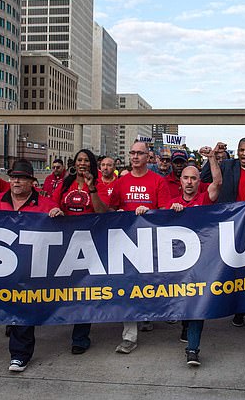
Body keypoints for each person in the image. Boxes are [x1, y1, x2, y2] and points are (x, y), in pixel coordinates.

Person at [0, 159, 61, 372]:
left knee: (23, 309)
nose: (16, 181)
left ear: (32, 182)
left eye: (21, 177)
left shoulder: (46, 206)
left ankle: (19, 355)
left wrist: (59, 216)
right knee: (10, 309)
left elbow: (63, 232)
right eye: (13, 177)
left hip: (31, 270)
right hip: (2, 269)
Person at [201, 138, 245, 330]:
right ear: (237, 151)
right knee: (235, 269)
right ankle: (238, 311)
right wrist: (213, 157)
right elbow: (205, 177)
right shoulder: (227, 165)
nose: (244, 154)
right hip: (231, 225)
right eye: (241, 150)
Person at [108, 141, 171, 354]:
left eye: (140, 153)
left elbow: (165, 212)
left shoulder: (158, 181)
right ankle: (129, 336)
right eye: (132, 153)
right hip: (126, 244)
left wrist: (150, 214)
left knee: (148, 286)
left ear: (148, 157)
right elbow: (111, 209)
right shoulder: (120, 182)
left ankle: (147, 315)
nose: (135, 157)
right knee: (127, 287)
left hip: (150, 244)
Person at [168, 146, 222, 367]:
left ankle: (192, 349)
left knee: (197, 304)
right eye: (186, 178)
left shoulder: (205, 198)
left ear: (199, 181)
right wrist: (168, 211)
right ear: (180, 180)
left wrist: (211, 158)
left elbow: (217, 183)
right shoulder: (170, 200)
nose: (189, 182)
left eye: (194, 178)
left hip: (201, 263)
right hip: (176, 264)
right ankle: (184, 324)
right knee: (183, 304)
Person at [50, 149, 107, 355]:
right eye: (79, 160)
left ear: (92, 164)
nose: (82, 163)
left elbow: (102, 212)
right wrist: (55, 211)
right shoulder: (65, 184)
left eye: (86, 161)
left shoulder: (101, 185)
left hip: (91, 245)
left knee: (86, 290)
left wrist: (92, 189)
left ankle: (80, 337)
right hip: (66, 245)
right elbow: (53, 205)